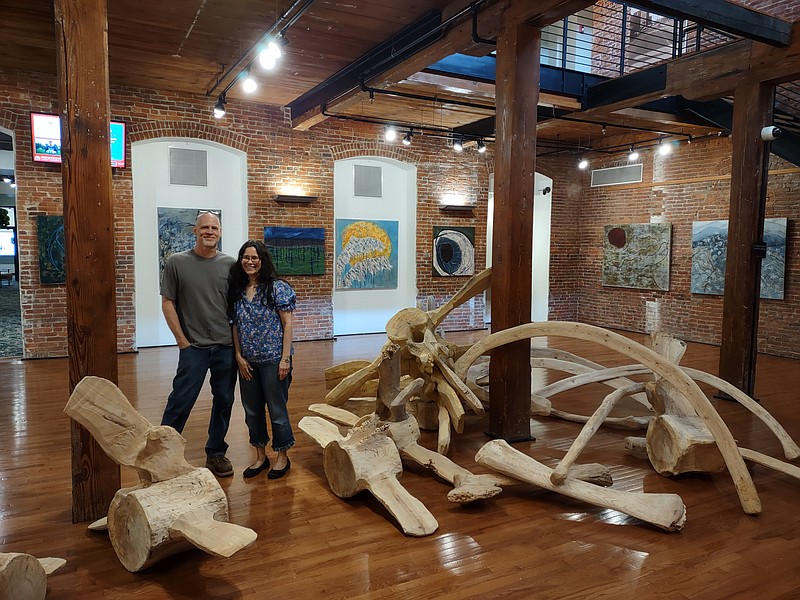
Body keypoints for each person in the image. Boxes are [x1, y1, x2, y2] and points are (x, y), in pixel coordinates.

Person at [160, 211, 237, 478]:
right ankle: (163, 454)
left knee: (224, 400)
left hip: (225, 347)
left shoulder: (230, 264)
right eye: (204, 227)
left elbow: (237, 305)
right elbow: (168, 301)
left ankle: (216, 453)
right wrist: (182, 341)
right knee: (181, 399)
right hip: (193, 347)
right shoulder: (177, 263)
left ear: (220, 232)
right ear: (195, 231)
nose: (209, 231)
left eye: (214, 227)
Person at [228, 240, 296, 480]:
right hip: (248, 362)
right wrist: (238, 355)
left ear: (262, 260)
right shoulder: (238, 289)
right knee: (252, 411)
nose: (249, 261)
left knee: (277, 410)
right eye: (245, 257)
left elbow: (287, 324)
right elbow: (235, 325)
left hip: (273, 360)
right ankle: (260, 456)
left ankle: (282, 457)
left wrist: (285, 359)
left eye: (254, 257)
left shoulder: (276, 288)